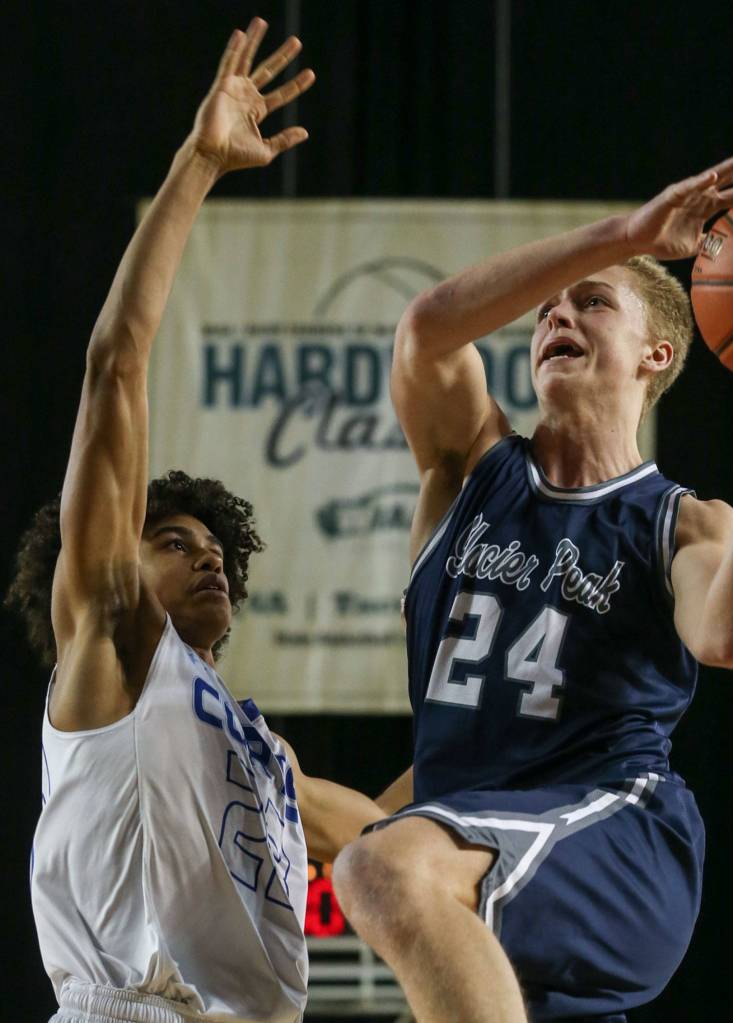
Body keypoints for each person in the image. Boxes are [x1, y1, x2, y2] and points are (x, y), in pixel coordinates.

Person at [331, 148, 733, 1021]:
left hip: (618, 840)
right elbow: (426, 330)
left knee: (376, 868)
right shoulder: (468, 469)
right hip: (481, 862)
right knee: (388, 870)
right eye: (549, 307)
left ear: (655, 352)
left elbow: (732, 635)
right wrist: (627, 234)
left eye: (593, 301)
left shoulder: (681, 521)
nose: (558, 312)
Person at [6, 19, 381, 1023]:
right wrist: (198, 166)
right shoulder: (110, 640)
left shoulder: (259, 752)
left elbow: (388, 830)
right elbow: (115, 366)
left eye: (216, 551)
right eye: (172, 541)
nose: (206, 560)